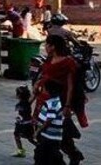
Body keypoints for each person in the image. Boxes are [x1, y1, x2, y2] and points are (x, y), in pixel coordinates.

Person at [34, 34, 86, 164]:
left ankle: (72, 154)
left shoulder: (68, 62)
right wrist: (37, 83)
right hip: (44, 99)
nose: (46, 47)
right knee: (42, 130)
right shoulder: (49, 59)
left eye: (48, 45)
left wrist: (67, 105)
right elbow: (45, 75)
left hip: (60, 101)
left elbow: (70, 85)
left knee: (60, 133)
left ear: (54, 46)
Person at [34, 80, 65, 165]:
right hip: (49, 136)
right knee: (48, 156)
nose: (43, 90)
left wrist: (38, 131)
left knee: (43, 156)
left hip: (50, 136)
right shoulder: (54, 101)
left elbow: (49, 120)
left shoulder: (52, 103)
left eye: (44, 89)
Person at [12, 85, 35, 158]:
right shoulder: (27, 103)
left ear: (18, 95)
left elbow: (19, 114)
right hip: (28, 124)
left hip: (22, 124)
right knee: (30, 138)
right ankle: (41, 147)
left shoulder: (19, 105)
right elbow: (32, 99)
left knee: (16, 136)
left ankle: (20, 151)